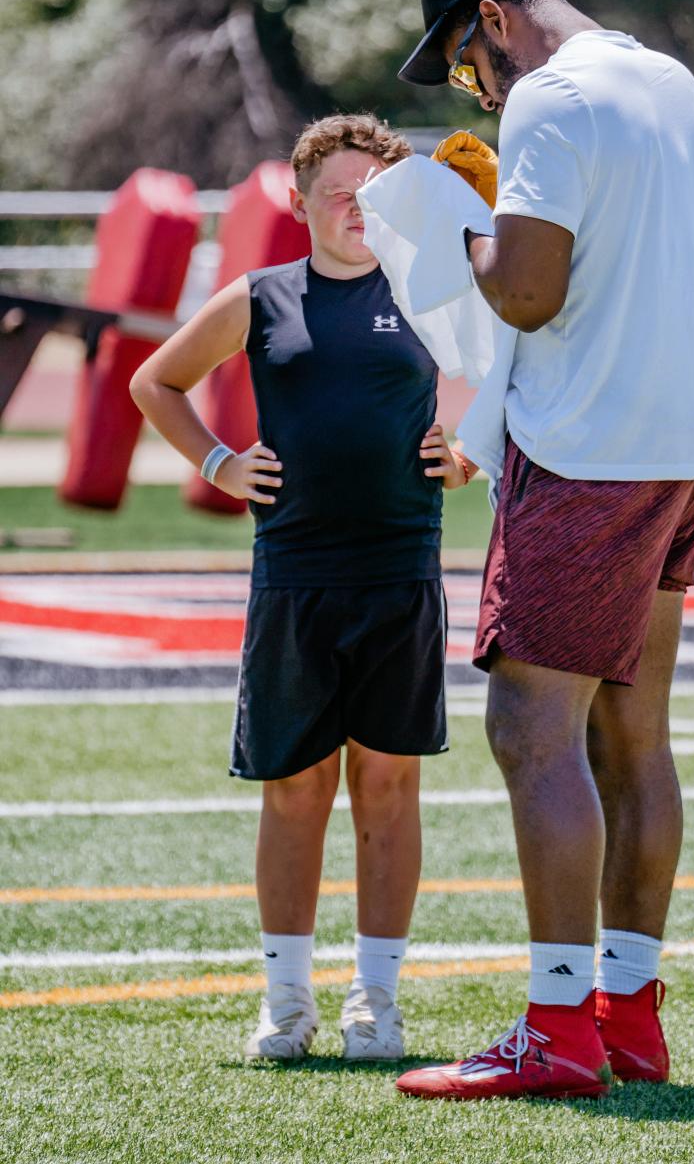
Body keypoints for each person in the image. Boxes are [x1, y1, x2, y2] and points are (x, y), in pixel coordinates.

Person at [392, 0, 694, 1100]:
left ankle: (555, 1029)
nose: (477, 90)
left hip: (589, 451)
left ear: (491, 18)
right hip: (687, 448)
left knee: (533, 733)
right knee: (634, 738)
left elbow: (528, 290)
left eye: (463, 63)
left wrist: (460, 221)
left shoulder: (552, 96)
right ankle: (627, 1016)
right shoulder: (674, 82)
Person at [130, 113, 472, 1063]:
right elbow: (156, 383)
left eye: (373, 194)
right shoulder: (260, 295)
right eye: (338, 194)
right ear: (300, 201)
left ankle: (377, 1002)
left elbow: (515, 375)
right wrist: (218, 463)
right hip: (295, 578)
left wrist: (467, 451)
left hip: (401, 571)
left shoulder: (432, 291)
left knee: (388, 788)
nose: (357, 209)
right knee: (292, 792)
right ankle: (286, 1003)